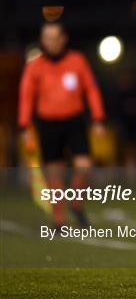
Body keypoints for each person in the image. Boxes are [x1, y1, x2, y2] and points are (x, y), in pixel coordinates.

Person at [18, 22, 106, 229]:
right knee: (54, 172)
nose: (50, 42)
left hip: (74, 121)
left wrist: (98, 118)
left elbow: (91, 90)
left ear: (63, 38)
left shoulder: (77, 61)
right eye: (46, 38)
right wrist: (24, 126)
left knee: (84, 165)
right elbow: (26, 96)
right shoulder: (35, 66)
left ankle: (76, 203)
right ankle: (59, 219)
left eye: (54, 37)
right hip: (47, 124)